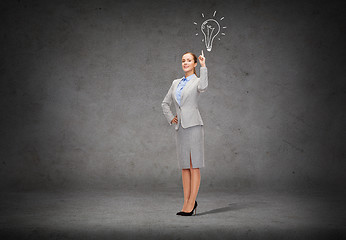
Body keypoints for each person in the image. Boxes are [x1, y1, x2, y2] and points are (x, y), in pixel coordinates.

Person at [161, 51, 207, 216]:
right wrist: (171, 118)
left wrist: (203, 67)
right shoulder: (175, 83)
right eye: (183, 60)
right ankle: (187, 202)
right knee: (184, 167)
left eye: (189, 60)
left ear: (194, 63)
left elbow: (203, 87)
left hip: (194, 125)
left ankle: (191, 203)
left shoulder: (198, 81)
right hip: (180, 127)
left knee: (194, 165)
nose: (185, 63)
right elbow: (165, 103)